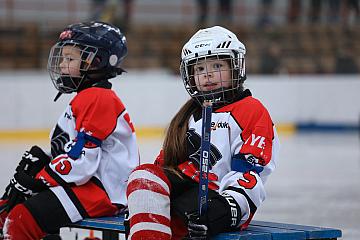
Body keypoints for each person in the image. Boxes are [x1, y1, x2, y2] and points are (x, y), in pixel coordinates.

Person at [126, 26, 280, 239]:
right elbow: (164, 167)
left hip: (219, 201)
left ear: (235, 67)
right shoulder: (190, 115)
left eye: (217, 65)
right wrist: (143, 203)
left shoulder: (250, 110)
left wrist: (224, 210)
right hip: (187, 192)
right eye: (199, 69)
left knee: (178, 214)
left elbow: (250, 174)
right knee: (144, 176)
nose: (207, 74)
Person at [0, 21, 139, 240]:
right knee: (11, 209)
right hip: (91, 186)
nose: (63, 64)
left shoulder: (98, 98)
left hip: (103, 192)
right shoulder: (88, 96)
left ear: (97, 61)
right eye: (64, 58)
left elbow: (83, 162)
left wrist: (40, 178)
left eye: (70, 59)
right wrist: (45, 161)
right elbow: (74, 150)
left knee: (21, 218)